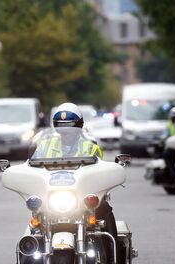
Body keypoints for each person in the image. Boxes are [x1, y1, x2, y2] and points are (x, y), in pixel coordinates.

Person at [31, 102, 121, 263]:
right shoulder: (44, 146)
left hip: (83, 198)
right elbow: (32, 169)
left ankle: (114, 257)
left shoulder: (91, 147)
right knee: (34, 223)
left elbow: (100, 171)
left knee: (105, 209)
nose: (66, 132)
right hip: (53, 196)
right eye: (61, 126)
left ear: (79, 126)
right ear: (55, 127)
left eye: (70, 127)